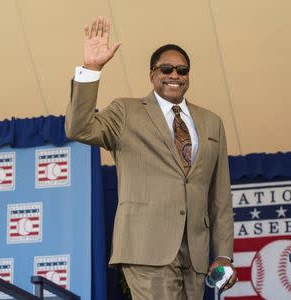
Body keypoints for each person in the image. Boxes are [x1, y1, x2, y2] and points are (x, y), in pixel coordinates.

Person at [65, 16, 237, 299]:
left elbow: (219, 196)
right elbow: (78, 127)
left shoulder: (211, 122)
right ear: (152, 74)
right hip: (144, 246)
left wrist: (223, 256)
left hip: (194, 255)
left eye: (182, 70)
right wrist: (92, 69)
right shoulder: (126, 112)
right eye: (166, 68)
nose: (175, 75)